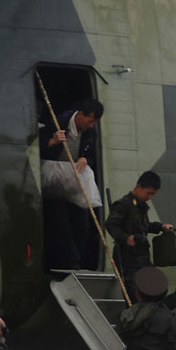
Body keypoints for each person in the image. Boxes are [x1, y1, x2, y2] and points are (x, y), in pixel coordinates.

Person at [39, 97, 105, 271]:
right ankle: (69, 263)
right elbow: (38, 147)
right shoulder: (57, 121)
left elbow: (92, 154)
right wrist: (52, 142)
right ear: (80, 115)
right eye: (90, 121)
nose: (91, 125)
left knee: (82, 225)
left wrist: (85, 157)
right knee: (60, 225)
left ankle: (79, 260)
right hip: (54, 183)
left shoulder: (90, 132)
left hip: (74, 183)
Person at [105, 171, 171, 293]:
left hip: (141, 256)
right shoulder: (124, 204)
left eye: (153, 194)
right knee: (135, 290)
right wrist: (125, 238)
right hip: (127, 257)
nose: (150, 197)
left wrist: (161, 227)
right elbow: (110, 224)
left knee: (153, 286)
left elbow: (144, 226)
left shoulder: (140, 206)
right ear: (139, 187)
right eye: (148, 193)